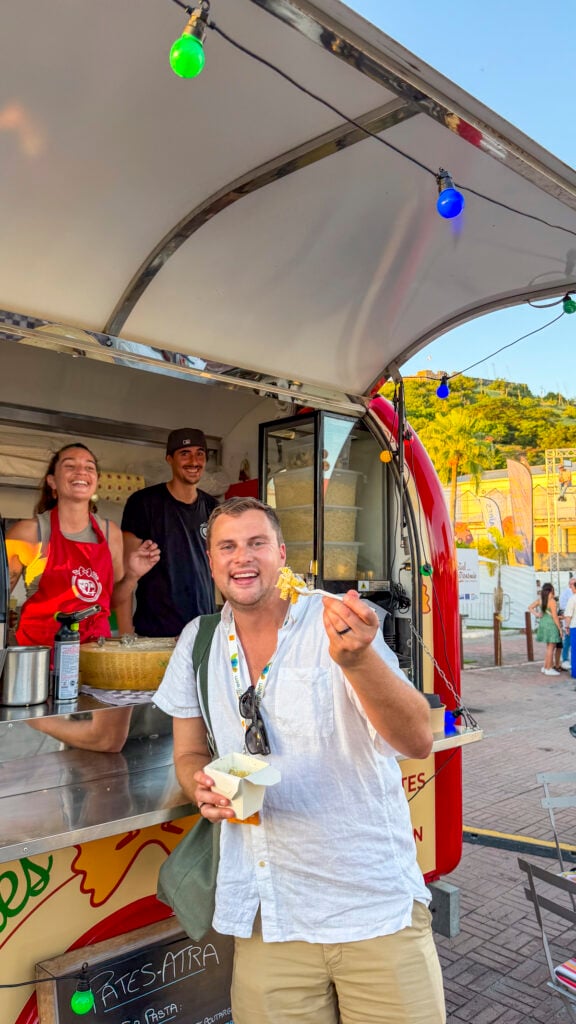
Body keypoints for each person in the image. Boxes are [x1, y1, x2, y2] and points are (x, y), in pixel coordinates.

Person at [154, 497, 445, 1024]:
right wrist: (201, 787)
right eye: (228, 546)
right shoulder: (197, 643)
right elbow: (190, 750)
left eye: (256, 543)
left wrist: (358, 660)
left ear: (281, 555)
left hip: (371, 910)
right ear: (212, 562)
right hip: (270, 919)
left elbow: (417, 738)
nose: (242, 557)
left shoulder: (335, 625)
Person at [7, 442, 160, 751]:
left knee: (108, 742)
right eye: (70, 465)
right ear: (52, 481)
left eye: (89, 467)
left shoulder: (110, 533)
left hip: (95, 659)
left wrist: (132, 575)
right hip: (42, 665)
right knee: (38, 759)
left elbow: (113, 599)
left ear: (96, 481)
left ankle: (30, 721)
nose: (82, 472)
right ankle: (27, 720)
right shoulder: (29, 532)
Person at [119, 428, 217, 638]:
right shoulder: (143, 503)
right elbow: (126, 572)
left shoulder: (212, 506)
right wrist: (126, 635)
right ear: (169, 459)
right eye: (185, 453)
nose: (194, 461)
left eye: (200, 453)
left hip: (204, 632)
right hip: (157, 634)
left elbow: (222, 568)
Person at [528, 582, 562, 676]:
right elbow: (555, 617)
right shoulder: (552, 601)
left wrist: (537, 614)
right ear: (551, 590)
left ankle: (545, 666)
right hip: (551, 625)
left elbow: (530, 607)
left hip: (543, 624)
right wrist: (559, 628)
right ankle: (548, 668)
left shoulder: (541, 600)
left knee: (548, 647)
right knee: (551, 647)